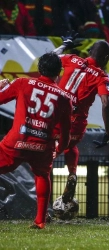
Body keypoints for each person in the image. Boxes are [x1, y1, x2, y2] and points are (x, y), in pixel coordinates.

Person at [0, 52, 72, 229]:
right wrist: (59, 149)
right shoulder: (64, 99)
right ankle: (40, 221)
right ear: (59, 72)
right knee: (42, 175)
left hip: (17, 142)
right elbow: (66, 135)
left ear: (39, 68)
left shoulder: (22, 83)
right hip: (42, 146)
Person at [52, 33, 109, 204]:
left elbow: (50, 57)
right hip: (75, 125)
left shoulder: (72, 59)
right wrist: (107, 131)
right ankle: (72, 174)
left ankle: (42, 209)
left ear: (89, 52)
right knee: (70, 145)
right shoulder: (101, 77)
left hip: (55, 118)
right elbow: (106, 104)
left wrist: (65, 45)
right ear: (106, 57)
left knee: (46, 160)